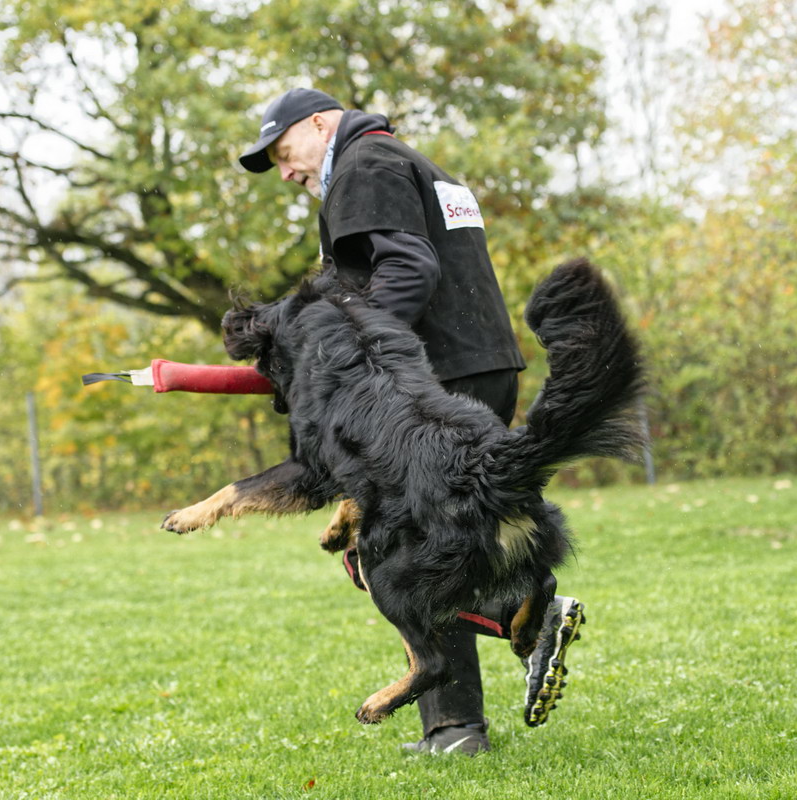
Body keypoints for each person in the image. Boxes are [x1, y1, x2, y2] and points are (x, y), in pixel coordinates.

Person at [238, 88, 585, 755]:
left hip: (431, 385)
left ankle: (462, 718)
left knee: (404, 553)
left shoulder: (364, 170)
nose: (286, 172)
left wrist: (346, 357)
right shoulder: (413, 164)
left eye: (285, 153)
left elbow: (408, 267)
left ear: (320, 125)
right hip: (478, 366)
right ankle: (527, 607)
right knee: (445, 542)